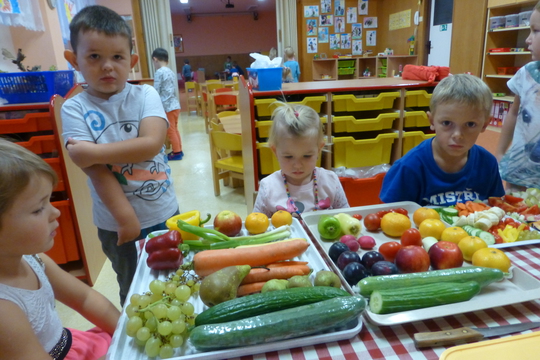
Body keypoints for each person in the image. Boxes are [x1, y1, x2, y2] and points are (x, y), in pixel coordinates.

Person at [61, 5, 179, 306]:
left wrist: (94, 152)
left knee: (177, 278)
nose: (107, 66)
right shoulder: (73, 108)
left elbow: (151, 143)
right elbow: (94, 170)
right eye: (94, 57)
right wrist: (126, 218)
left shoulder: (145, 95)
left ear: (132, 61)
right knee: (134, 288)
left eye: (117, 57)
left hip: (164, 212)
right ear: (74, 60)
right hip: (116, 224)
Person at [0, 139, 120, 360]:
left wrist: (125, 334)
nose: (55, 213)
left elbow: (84, 298)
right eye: (38, 209)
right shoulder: (4, 311)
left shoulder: (33, 259)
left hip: (73, 345)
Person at [379, 74, 505, 206]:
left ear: (484, 124)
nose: (457, 135)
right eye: (446, 123)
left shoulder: (487, 164)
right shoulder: (408, 168)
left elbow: (495, 209)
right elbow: (390, 219)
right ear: (432, 121)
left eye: (470, 124)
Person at [253, 102, 349, 217]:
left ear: (319, 150)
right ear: (275, 151)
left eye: (307, 156)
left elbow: (347, 218)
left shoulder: (331, 181)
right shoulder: (268, 188)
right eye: (288, 156)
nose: (298, 165)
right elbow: (257, 226)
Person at [497, 2, 540, 192]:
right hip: (519, 169)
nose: (528, 40)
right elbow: (513, 114)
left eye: (535, 31)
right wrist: (499, 152)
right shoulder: (526, 74)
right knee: (513, 215)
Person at [152, 47, 184, 161]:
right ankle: (179, 149)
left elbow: (156, 90)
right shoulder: (170, 71)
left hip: (167, 106)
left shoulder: (159, 72)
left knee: (170, 131)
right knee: (175, 129)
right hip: (175, 105)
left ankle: (177, 152)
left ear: (155, 59)